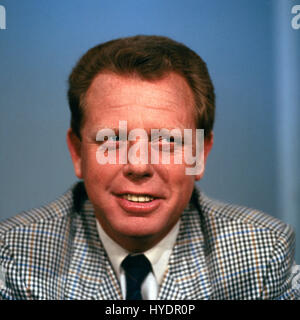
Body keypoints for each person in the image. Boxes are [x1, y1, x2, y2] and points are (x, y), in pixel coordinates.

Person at [0, 35, 298, 300]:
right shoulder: (15, 255)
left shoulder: (261, 254)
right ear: (78, 152)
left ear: (200, 154)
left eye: (167, 140)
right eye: (113, 139)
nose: (139, 165)